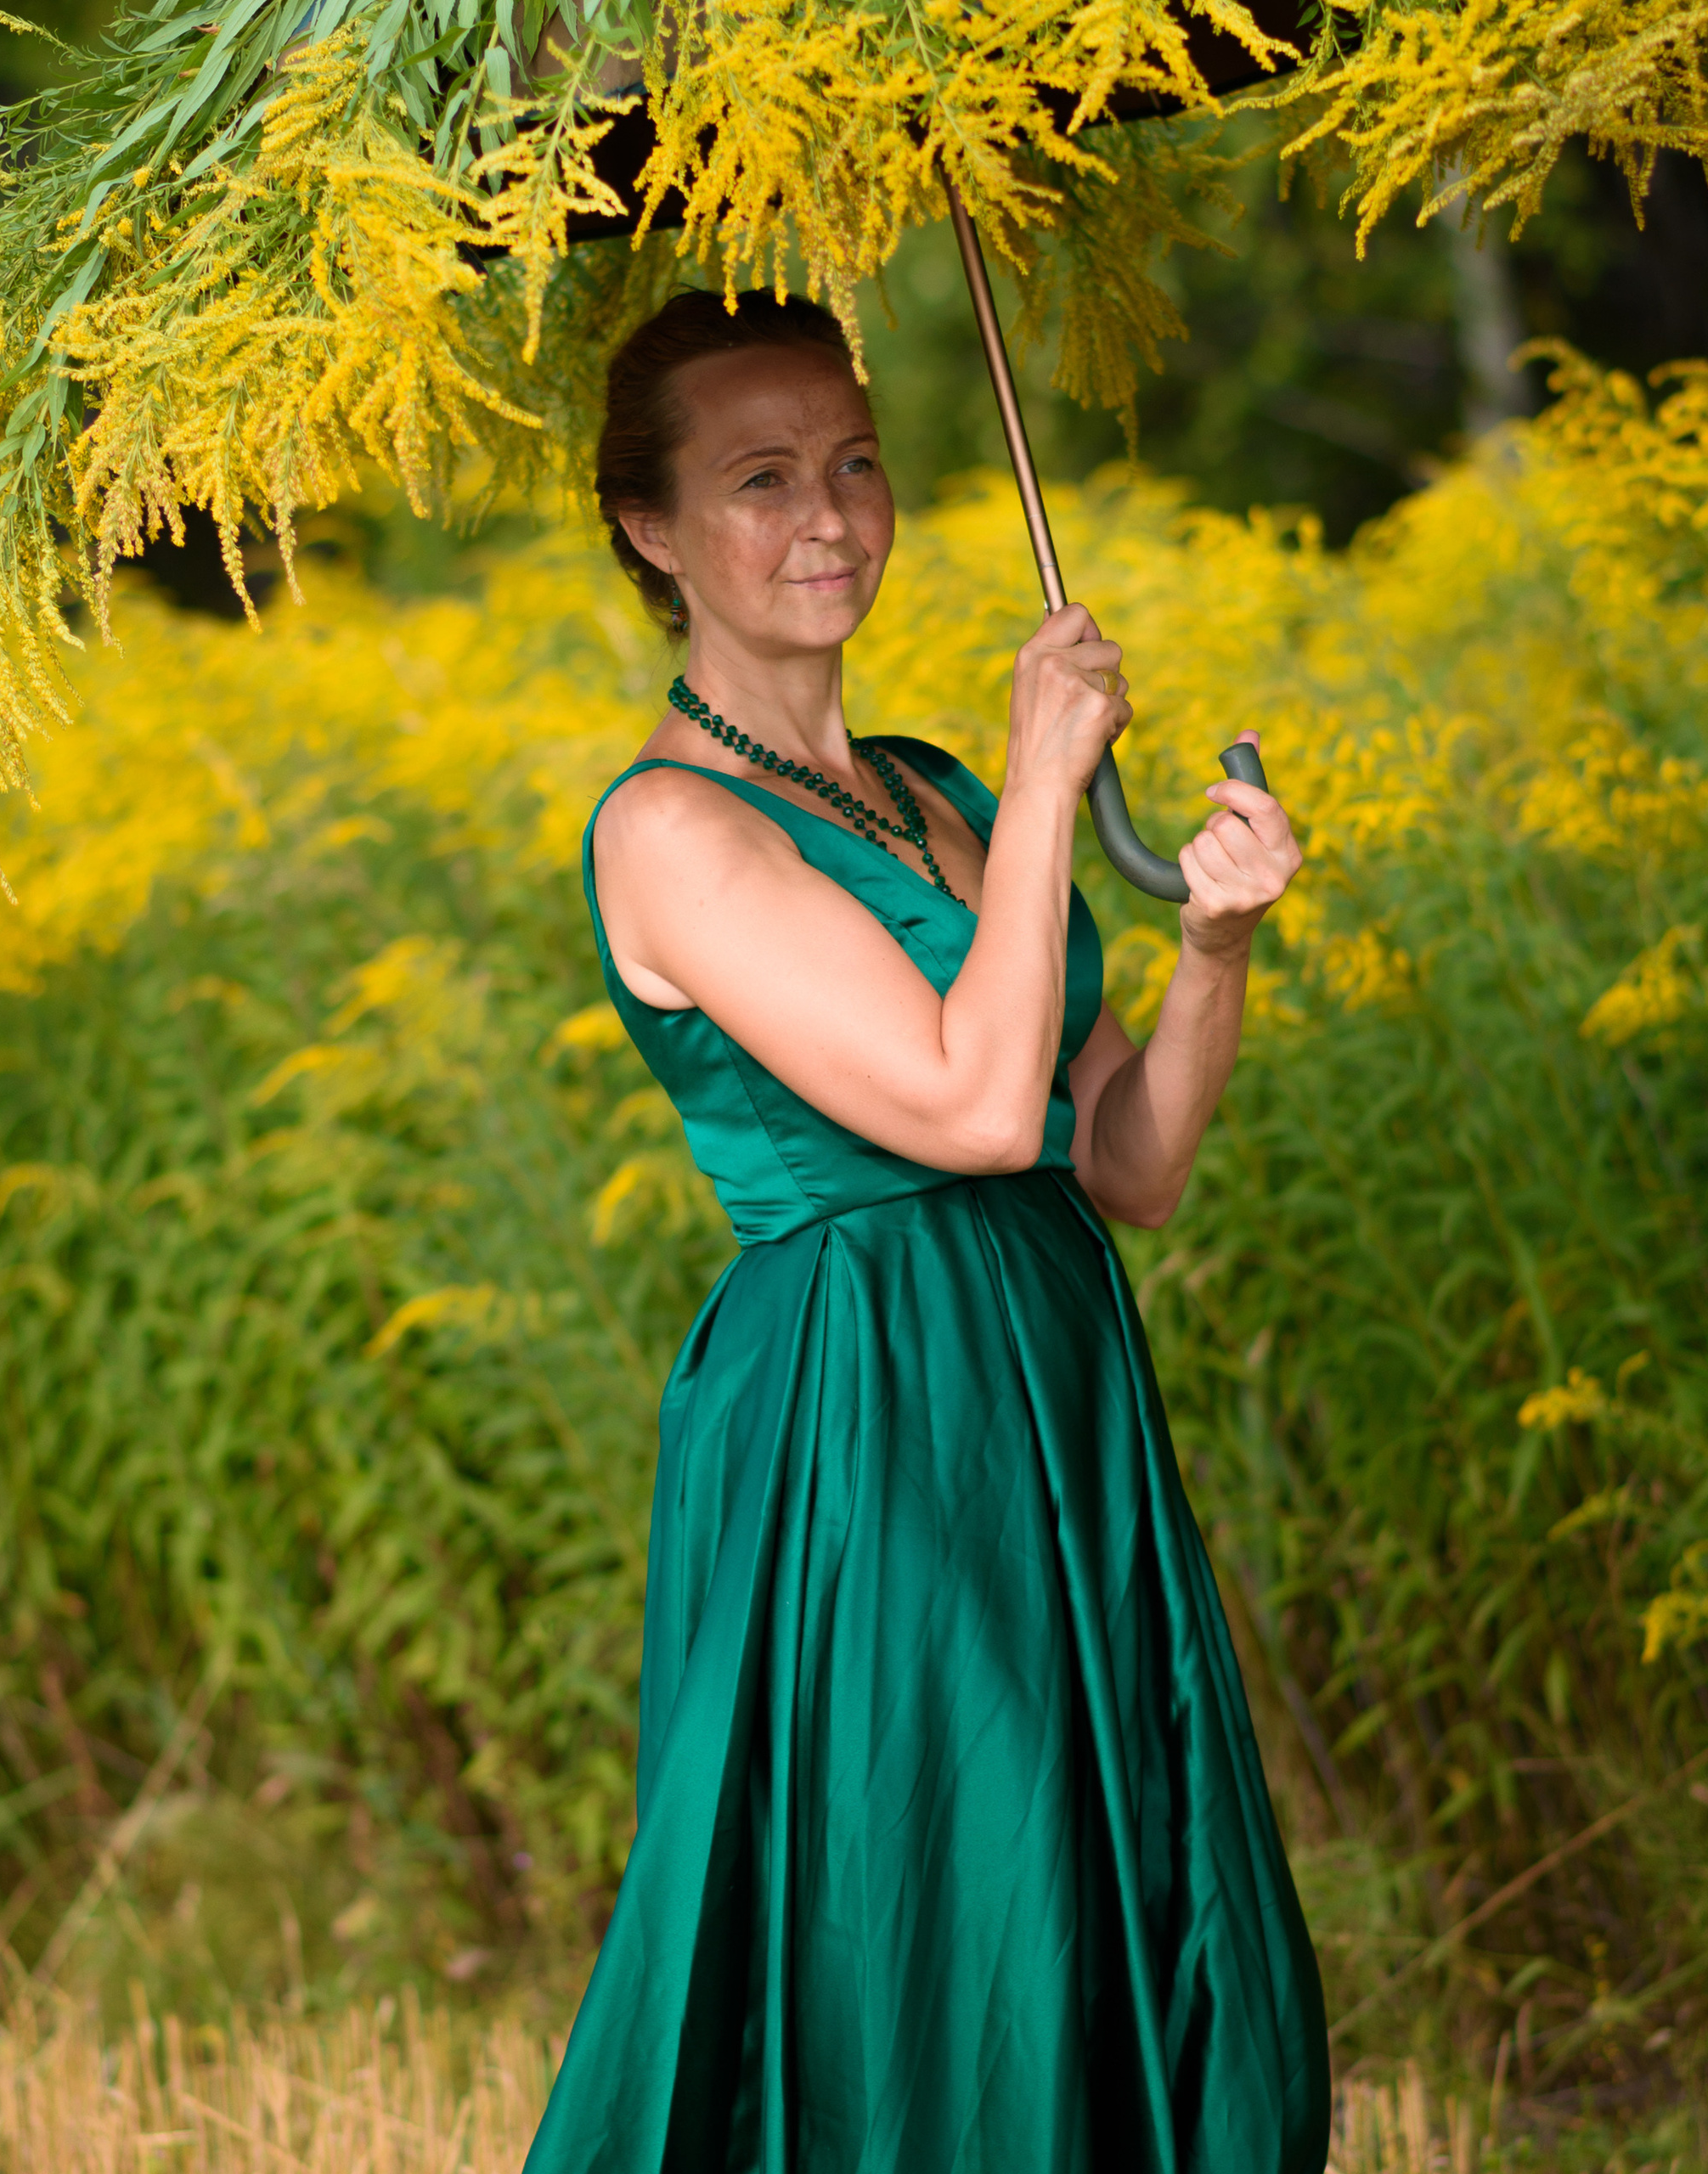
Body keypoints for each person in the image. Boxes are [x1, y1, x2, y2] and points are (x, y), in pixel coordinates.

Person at [523, 288, 1328, 2174]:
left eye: (856, 461)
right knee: (945, 1900)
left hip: (1052, 1384)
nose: (830, 515)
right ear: (650, 529)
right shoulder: (671, 832)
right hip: (867, 1424)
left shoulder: (934, 794)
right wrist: (1048, 783)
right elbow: (970, 1111)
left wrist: (1213, 946)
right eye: (760, 478)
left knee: (1099, 1875)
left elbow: (1119, 1159)